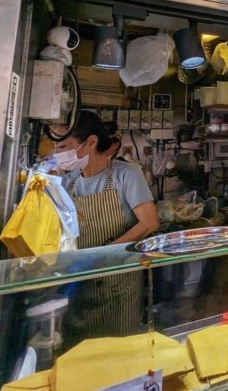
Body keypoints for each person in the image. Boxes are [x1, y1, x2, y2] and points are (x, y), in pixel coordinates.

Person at [52, 111, 159, 342]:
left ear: (90, 142)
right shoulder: (69, 183)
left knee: (119, 353)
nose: (57, 154)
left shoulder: (126, 175)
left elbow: (149, 223)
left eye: (63, 147)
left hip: (118, 286)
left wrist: (103, 255)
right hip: (80, 286)